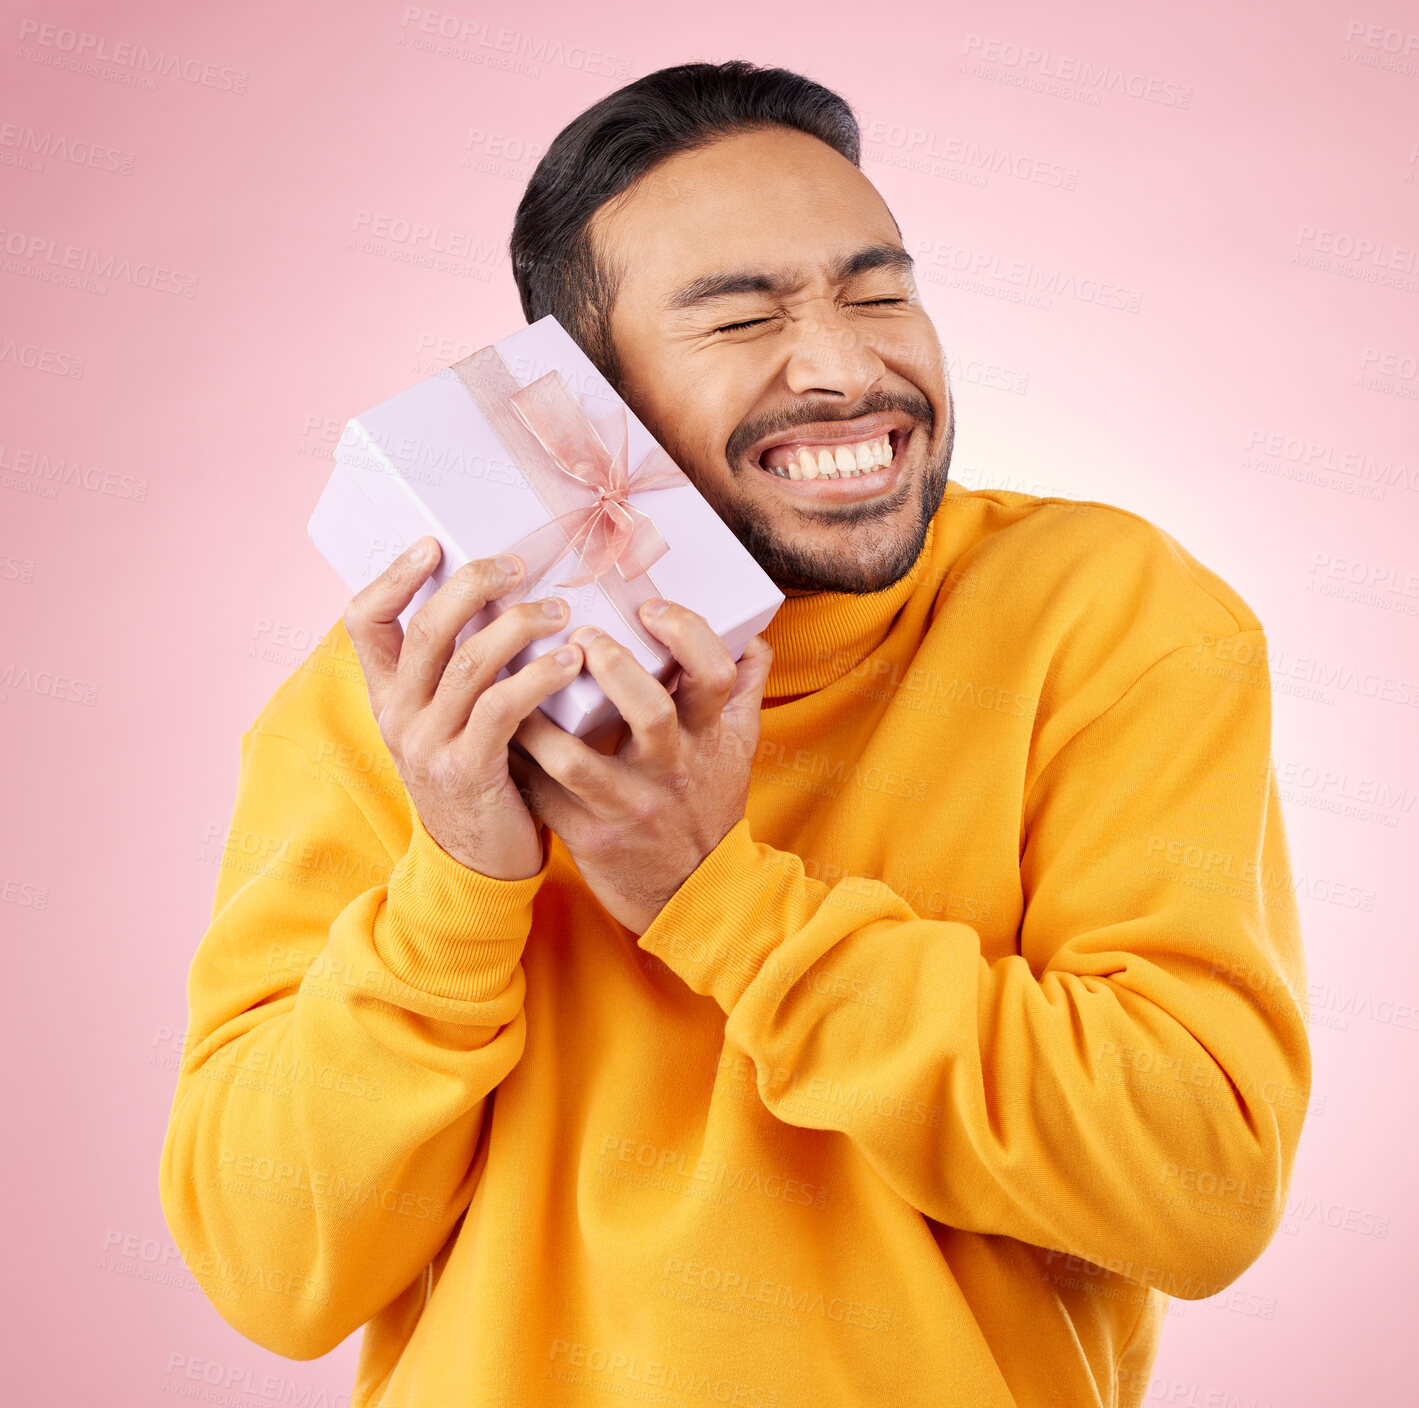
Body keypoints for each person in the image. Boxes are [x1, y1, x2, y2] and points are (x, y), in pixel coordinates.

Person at [159, 60, 1312, 1408]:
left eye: (879, 292)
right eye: (740, 318)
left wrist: (723, 904)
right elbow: (267, 1273)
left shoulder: (1103, 617)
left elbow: (1200, 1187)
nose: (844, 365)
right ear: (576, 398)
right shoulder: (411, 704)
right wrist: (461, 889)